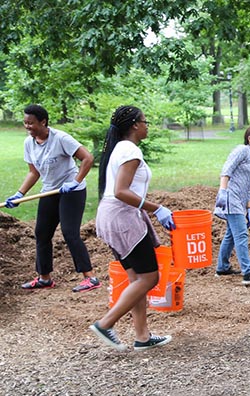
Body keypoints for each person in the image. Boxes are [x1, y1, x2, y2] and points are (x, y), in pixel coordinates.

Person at [90, 105, 175, 351]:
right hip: (122, 219)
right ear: (135, 125)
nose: (147, 126)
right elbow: (121, 191)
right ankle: (106, 323)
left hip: (112, 217)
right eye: (145, 121)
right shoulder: (129, 150)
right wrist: (156, 208)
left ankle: (142, 336)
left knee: (137, 278)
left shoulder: (120, 148)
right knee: (149, 277)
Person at [4, 104, 100, 292]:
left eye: (31, 123)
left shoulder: (61, 138)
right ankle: (44, 278)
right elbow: (33, 172)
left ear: (43, 122)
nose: (27, 127)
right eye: (25, 123)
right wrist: (19, 194)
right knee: (42, 233)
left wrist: (75, 181)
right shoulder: (28, 143)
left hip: (71, 190)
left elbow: (87, 158)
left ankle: (90, 277)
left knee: (69, 232)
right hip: (49, 190)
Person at [213, 126, 250, 285]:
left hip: (241, 202)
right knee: (241, 234)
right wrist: (223, 192)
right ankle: (248, 273)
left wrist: (249, 209)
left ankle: (222, 267)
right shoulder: (242, 150)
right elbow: (226, 170)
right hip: (230, 198)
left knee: (231, 234)